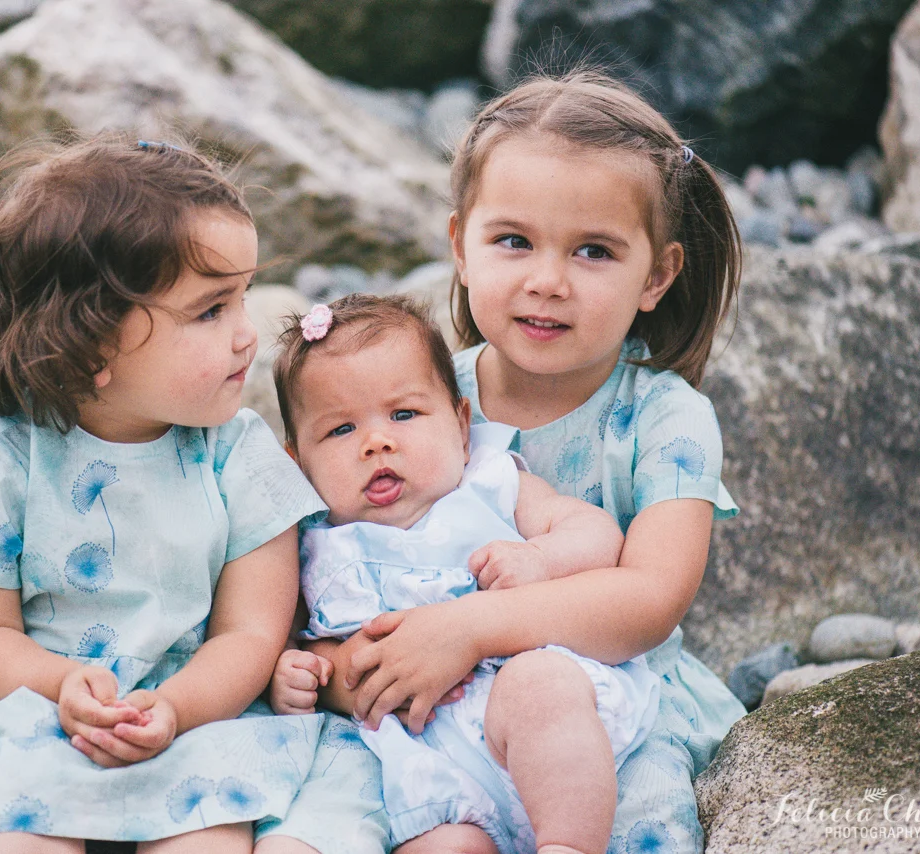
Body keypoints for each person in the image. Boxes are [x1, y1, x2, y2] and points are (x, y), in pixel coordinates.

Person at [0, 134, 372, 854]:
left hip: (201, 706)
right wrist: (61, 685)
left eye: (242, 298)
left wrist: (175, 708)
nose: (246, 336)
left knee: (209, 836)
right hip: (35, 705)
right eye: (209, 311)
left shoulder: (239, 457)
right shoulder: (7, 462)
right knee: (12, 832)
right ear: (93, 346)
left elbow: (250, 632)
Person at [286, 70, 747, 854]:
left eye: (593, 251)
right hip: (431, 711)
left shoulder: (665, 419)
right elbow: (333, 550)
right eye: (512, 241)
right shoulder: (417, 400)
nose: (545, 281)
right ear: (459, 246)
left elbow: (647, 600)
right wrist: (336, 667)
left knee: (638, 827)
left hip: (606, 699)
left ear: (657, 275)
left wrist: (470, 628)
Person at [268, 294, 662, 854]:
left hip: (522, 705)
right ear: (297, 462)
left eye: (404, 414)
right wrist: (299, 674)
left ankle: (568, 845)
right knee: (443, 844)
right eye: (340, 431)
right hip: (425, 763)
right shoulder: (311, 542)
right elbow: (299, 641)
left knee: (542, 689)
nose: (377, 442)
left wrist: (542, 558)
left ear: (459, 422)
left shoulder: (490, 481)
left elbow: (599, 535)